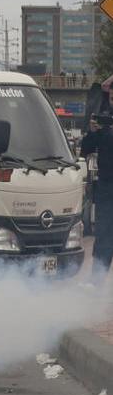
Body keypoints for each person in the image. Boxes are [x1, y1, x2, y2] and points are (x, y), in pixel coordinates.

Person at [81, 113, 113, 282]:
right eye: (111, 98)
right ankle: (97, 280)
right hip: (106, 189)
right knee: (103, 235)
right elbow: (85, 150)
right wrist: (92, 132)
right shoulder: (104, 128)